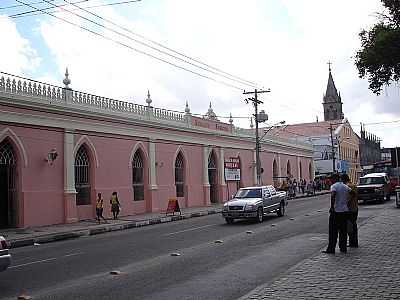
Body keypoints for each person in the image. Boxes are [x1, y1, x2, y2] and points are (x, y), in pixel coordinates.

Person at [322, 173, 351, 254]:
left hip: (336, 212)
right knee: (343, 231)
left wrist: (332, 207)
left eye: (331, 178)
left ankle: (331, 249)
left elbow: (333, 195)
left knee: (333, 231)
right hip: (344, 211)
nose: (330, 180)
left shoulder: (334, 186)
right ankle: (343, 248)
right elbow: (352, 193)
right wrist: (347, 202)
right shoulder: (345, 186)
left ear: (335, 178)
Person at [342, 173, 358, 248]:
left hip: (350, 209)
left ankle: (352, 242)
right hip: (355, 208)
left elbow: (348, 199)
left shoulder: (348, 186)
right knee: (354, 225)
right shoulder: (354, 185)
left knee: (350, 226)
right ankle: (354, 241)